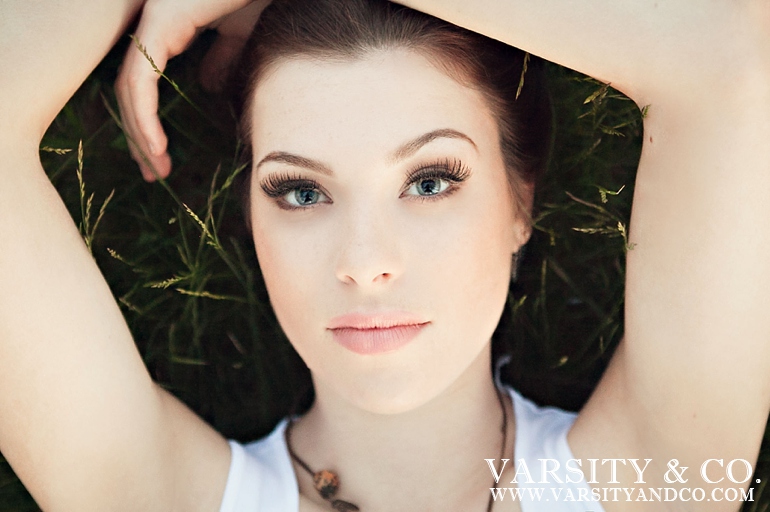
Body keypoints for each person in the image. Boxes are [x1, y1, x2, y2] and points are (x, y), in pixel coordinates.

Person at [0, 0, 768, 511]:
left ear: (519, 203)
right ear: (250, 219)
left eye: (430, 180)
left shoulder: (654, 482)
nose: (365, 262)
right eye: (301, 193)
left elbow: (737, 51)